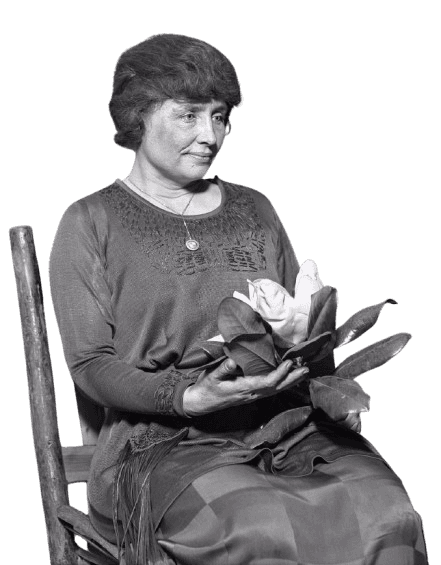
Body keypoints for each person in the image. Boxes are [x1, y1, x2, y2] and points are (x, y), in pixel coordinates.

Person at [49, 33, 428, 565]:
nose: (211, 135)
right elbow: (90, 364)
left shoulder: (256, 209)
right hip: (162, 445)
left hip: (286, 428)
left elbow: (307, 327)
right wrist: (186, 398)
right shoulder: (91, 222)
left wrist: (309, 348)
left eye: (220, 116)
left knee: (390, 512)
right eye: (189, 115)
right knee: (259, 527)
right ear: (138, 116)